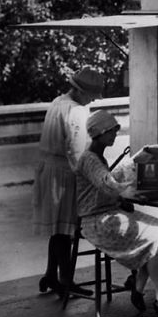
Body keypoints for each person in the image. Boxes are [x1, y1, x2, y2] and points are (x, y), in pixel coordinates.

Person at [75, 110, 158, 317]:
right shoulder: (90, 160)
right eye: (112, 132)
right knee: (153, 235)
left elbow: (101, 189)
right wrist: (131, 174)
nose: (115, 136)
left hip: (109, 213)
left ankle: (139, 287)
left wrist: (123, 200)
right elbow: (107, 184)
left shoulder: (97, 157)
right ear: (100, 133)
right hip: (97, 221)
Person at [33, 66, 104, 297]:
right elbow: (75, 152)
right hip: (63, 172)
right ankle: (65, 279)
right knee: (65, 229)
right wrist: (87, 176)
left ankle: (51, 274)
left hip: (48, 168)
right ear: (83, 92)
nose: (93, 99)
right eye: (93, 94)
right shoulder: (76, 111)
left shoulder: (58, 102)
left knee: (57, 228)